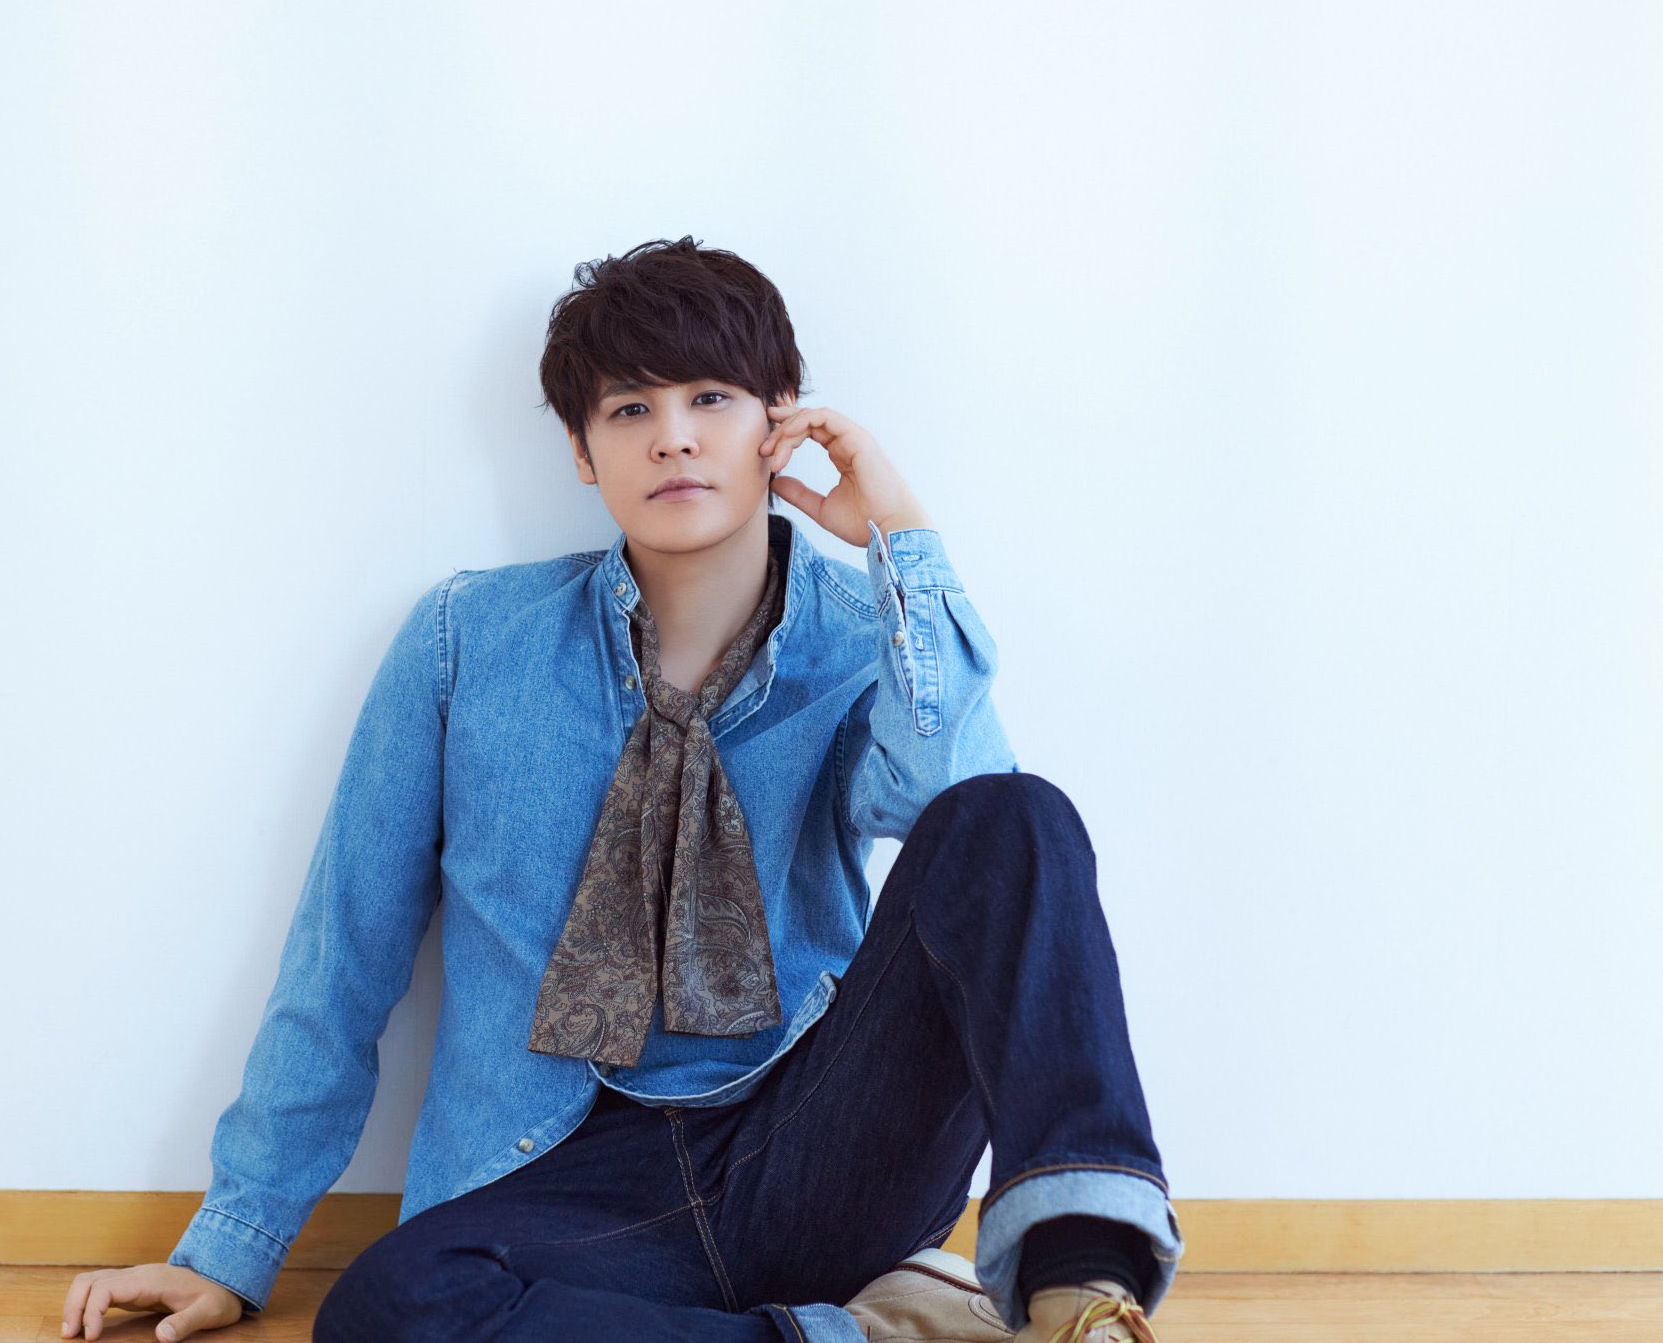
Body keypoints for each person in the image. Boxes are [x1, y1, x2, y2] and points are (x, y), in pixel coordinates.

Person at [59, 237, 1183, 1343]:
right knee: (387, 1309)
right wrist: (231, 1244)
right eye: (630, 408)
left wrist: (902, 541)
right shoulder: (465, 642)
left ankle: (1075, 1293)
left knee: (1017, 815)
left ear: (781, 420)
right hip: (564, 1182)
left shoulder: (860, 644)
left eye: (710, 398)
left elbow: (970, 830)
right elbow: (344, 950)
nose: (673, 437)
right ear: (581, 450)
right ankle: (866, 1332)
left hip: (813, 1148)